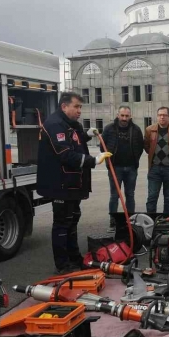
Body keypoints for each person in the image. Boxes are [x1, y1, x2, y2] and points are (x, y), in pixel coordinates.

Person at [36, 92, 111, 273]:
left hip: (72, 184)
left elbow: (74, 140)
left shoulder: (70, 124)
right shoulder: (55, 125)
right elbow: (65, 154)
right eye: (76, 107)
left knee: (72, 220)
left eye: (80, 107)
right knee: (62, 223)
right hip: (60, 185)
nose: (79, 111)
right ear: (64, 106)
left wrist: (86, 135)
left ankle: (74, 258)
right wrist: (93, 160)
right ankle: (63, 265)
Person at [100, 104, 143, 232]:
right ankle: (113, 222)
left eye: (127, 116)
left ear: (130, 116)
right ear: (118, 115)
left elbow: (140, 147)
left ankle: (130, 221)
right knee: (114, 196)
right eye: (122, 115)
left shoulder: (136, 130)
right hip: (115, 168)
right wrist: (110, 161)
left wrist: (134, 160)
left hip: (131, 168)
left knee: (130, 195)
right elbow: (103, 147)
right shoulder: (109, 129)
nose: (124, 118)